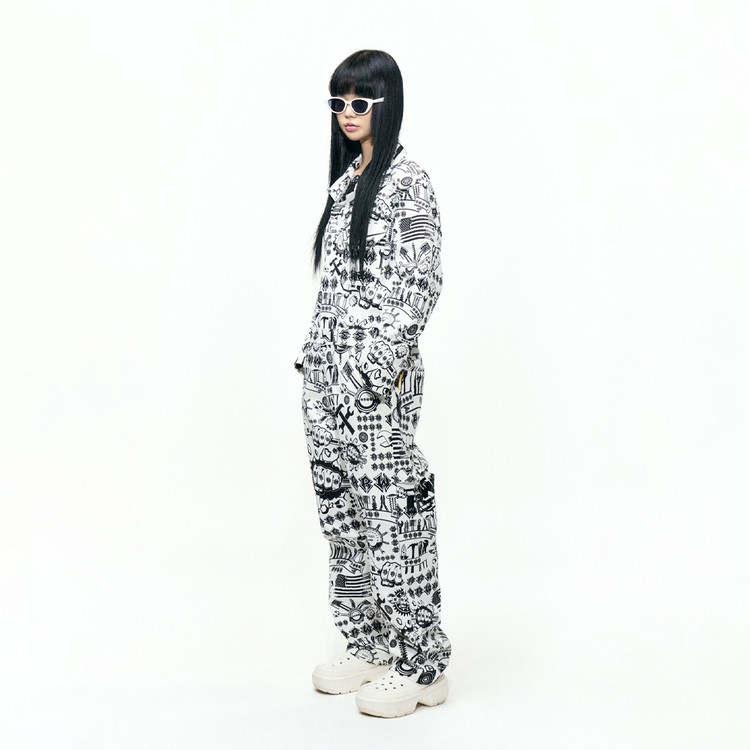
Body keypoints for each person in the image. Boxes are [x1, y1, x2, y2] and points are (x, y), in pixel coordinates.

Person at [295, 49, 450, 718]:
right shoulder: (346, 183)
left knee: (394, 516)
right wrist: (316, 363)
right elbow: (336, 289)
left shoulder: (407, 183)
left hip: (375, 388)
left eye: (360, 102)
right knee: (343, 518)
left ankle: (422, 662)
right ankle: (372, 643)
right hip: (326, 382)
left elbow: (419, 286)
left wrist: (371, 372)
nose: (347, 113)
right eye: (338, 102)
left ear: (387, 105)